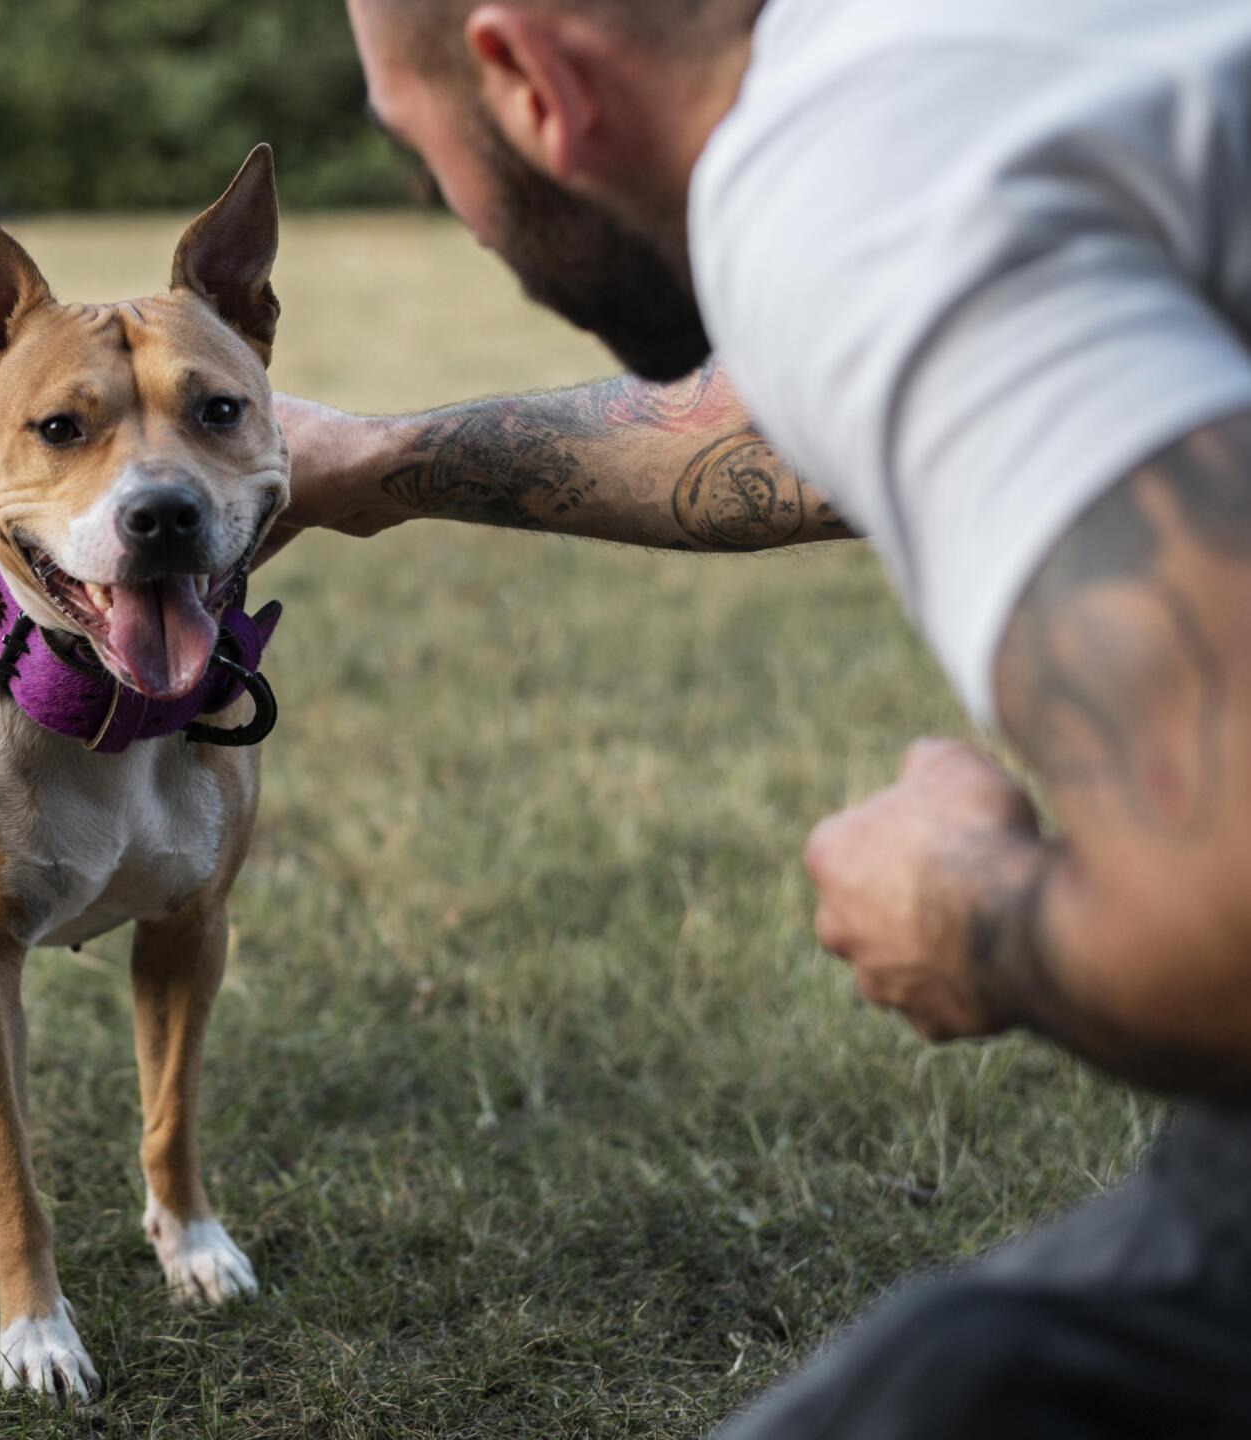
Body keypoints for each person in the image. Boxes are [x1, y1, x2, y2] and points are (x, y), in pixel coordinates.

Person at [276, 0, 1251, 1434]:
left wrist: (962, 907)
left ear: (527, 79)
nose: (431, 193)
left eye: (408, 138)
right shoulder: (967, 62)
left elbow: (1229, 925)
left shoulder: (841, 186)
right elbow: (775, 432)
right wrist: (380, 462)